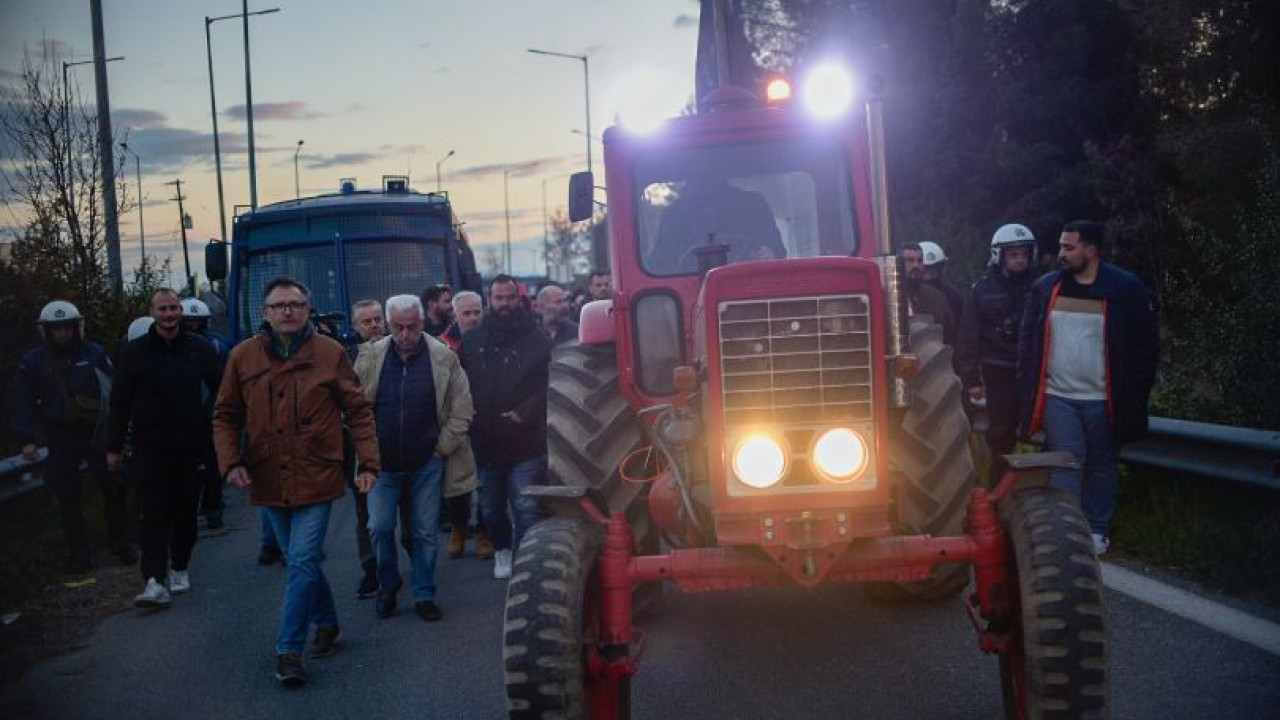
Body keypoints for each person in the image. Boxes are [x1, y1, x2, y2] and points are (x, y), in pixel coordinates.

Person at [213, 276, 380, 687]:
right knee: (299, 562)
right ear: (265, 313)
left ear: (308, 310)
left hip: (318, 475)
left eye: (295, 304)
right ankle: (327, 623)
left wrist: (368, 464)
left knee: (302, 561)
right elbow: (225, 415)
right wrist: (231, 461)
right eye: (279, 305)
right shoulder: (242, 357)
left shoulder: (330, 353)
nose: (287, 311)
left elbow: (357, 411)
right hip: (269, 477)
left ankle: (288, 649)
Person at [1017, 220, 1159, 556]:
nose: (1061, 253)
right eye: (1062, 246)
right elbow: (1028, 342)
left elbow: (1144, 346)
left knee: (1101, 463)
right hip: (1057, 395)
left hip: (1103, 398)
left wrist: (1136, 392)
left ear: (1091, 250)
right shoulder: (1046, 288)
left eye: (1069, 247)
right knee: (1067, 460)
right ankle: (1066, 528)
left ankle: (1096, 529)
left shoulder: (1125, 289)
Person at [353, 295, 475, 621]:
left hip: (426, 462)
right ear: (389, 324)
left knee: (424, 532)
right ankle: (388, 585)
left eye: (412, 327)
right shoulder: (371, 356)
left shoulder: (443, 358)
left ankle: (424, 593)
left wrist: (441, 448)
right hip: (382, 464)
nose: (405, 335)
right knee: (379, 527)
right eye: (398, 328)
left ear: (422, 323)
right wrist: (366, 452)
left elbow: (462, 410)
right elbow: (354, 408)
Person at [108, 289, 224, 609]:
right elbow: (118, 403)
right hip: (149, 449)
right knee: (153, 514)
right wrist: (114, 447)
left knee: (185, 512)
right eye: (163, 309)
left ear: (181, 313)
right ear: (153, 312)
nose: (169, 314)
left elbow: (224, 388)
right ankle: (154, 581)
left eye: (174, 308)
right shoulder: (134, 353)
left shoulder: (199, 349)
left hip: (190, 447)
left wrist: (224, 427)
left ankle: (180, 566)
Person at [10, 300, 134, 576]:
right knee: (68, 496)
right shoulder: (33, 362)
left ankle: (120, 543)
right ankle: (79, 555)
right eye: (57, 329)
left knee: (114, 485)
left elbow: (113, 393)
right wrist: (27, 438)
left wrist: (117, 433)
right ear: (46, 331)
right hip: (61, 435)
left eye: (68, 327)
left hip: (96, 432)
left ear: (77, 327)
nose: (63, 334)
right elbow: (22, 401)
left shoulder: (95, 353)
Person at [460, 274, 551, 579]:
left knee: (525, 505)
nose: (504, 304)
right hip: (486, 442)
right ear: (490, 300)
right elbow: (462, 386)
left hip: (528, 440)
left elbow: (548, 383)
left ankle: (525, 559)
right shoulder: (473, 341)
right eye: (498, 298)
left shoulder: (537, 339)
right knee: (490, 510)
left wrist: (523, 412)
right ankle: (502, 549)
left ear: (518, 298)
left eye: (509, 298)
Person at [956, 224, 1038, 482]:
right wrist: (971, 380)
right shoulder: (981, 290)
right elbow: (968, 337)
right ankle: (999, 487)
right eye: (1013, 254)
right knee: (1001, 433)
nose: (1020, 259)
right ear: (999, 255)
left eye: (1024, 254)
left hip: (1034, 371)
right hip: (997, 371)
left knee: (1038, 430)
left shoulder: (1040, 287)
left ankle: (1035, 486)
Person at [437, 290, 493, 560]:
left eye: (476, 312)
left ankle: (483, 531)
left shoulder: (493, 340)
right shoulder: (442, 346)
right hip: (456, 423)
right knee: (458, 485)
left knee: (486, 482)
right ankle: (459, 529)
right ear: (455, 315)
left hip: (486, 420)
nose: (472, 318)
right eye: (466, 313)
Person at [651, 176, 787, 273]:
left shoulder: (751, 205)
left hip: (748, 289)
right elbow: (659, 264)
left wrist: (769, 253)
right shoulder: (674, 215)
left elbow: (778, 250)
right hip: (687, 294)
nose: (704, 177)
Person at [346, 299, 389, 599]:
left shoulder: (401, 352)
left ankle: (412, 562)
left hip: (400, 444)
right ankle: (371, 570)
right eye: (367, 321)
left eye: (377, 319)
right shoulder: (346, 360)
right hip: (361, 448)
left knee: (408, 511)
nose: (374, 325)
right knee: (366, 514)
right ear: (355, 327)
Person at [181, 298, 229, 531]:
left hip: (209, 412)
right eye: (187, 323)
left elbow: (226, 381)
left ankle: (213, 510)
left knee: (211, 464)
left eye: (196, 323)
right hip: (183, 414)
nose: (192, 327)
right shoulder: (173, 345)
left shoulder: (217, 345)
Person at [899, 243, 956, 345]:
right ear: (899, 263)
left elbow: (951, 336)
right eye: (910, 261)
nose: (916, 265)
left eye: (920, 261)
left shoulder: (937, 298)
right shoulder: (888, 298)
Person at [918, 241, 965, 328]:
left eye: (934, 268)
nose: (929, 273)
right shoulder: (906, 295)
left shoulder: (954, 296)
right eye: (926, 268)